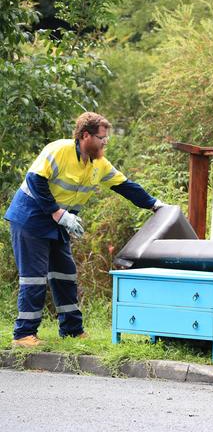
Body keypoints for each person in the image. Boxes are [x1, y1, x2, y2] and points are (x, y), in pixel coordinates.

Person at [4, 112, 166, 347]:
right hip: (31, 218)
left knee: (65, 275)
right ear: (85, 135)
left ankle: (71, 330)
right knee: (34, 278)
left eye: (106, 138)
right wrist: (58, 213)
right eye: (102, 137)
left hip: (59, 221)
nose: (105, 142)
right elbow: (34, 180)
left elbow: (126, 186)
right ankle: (23, 335)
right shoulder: (59, 149)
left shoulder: (98, 164)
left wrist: (155, 205)